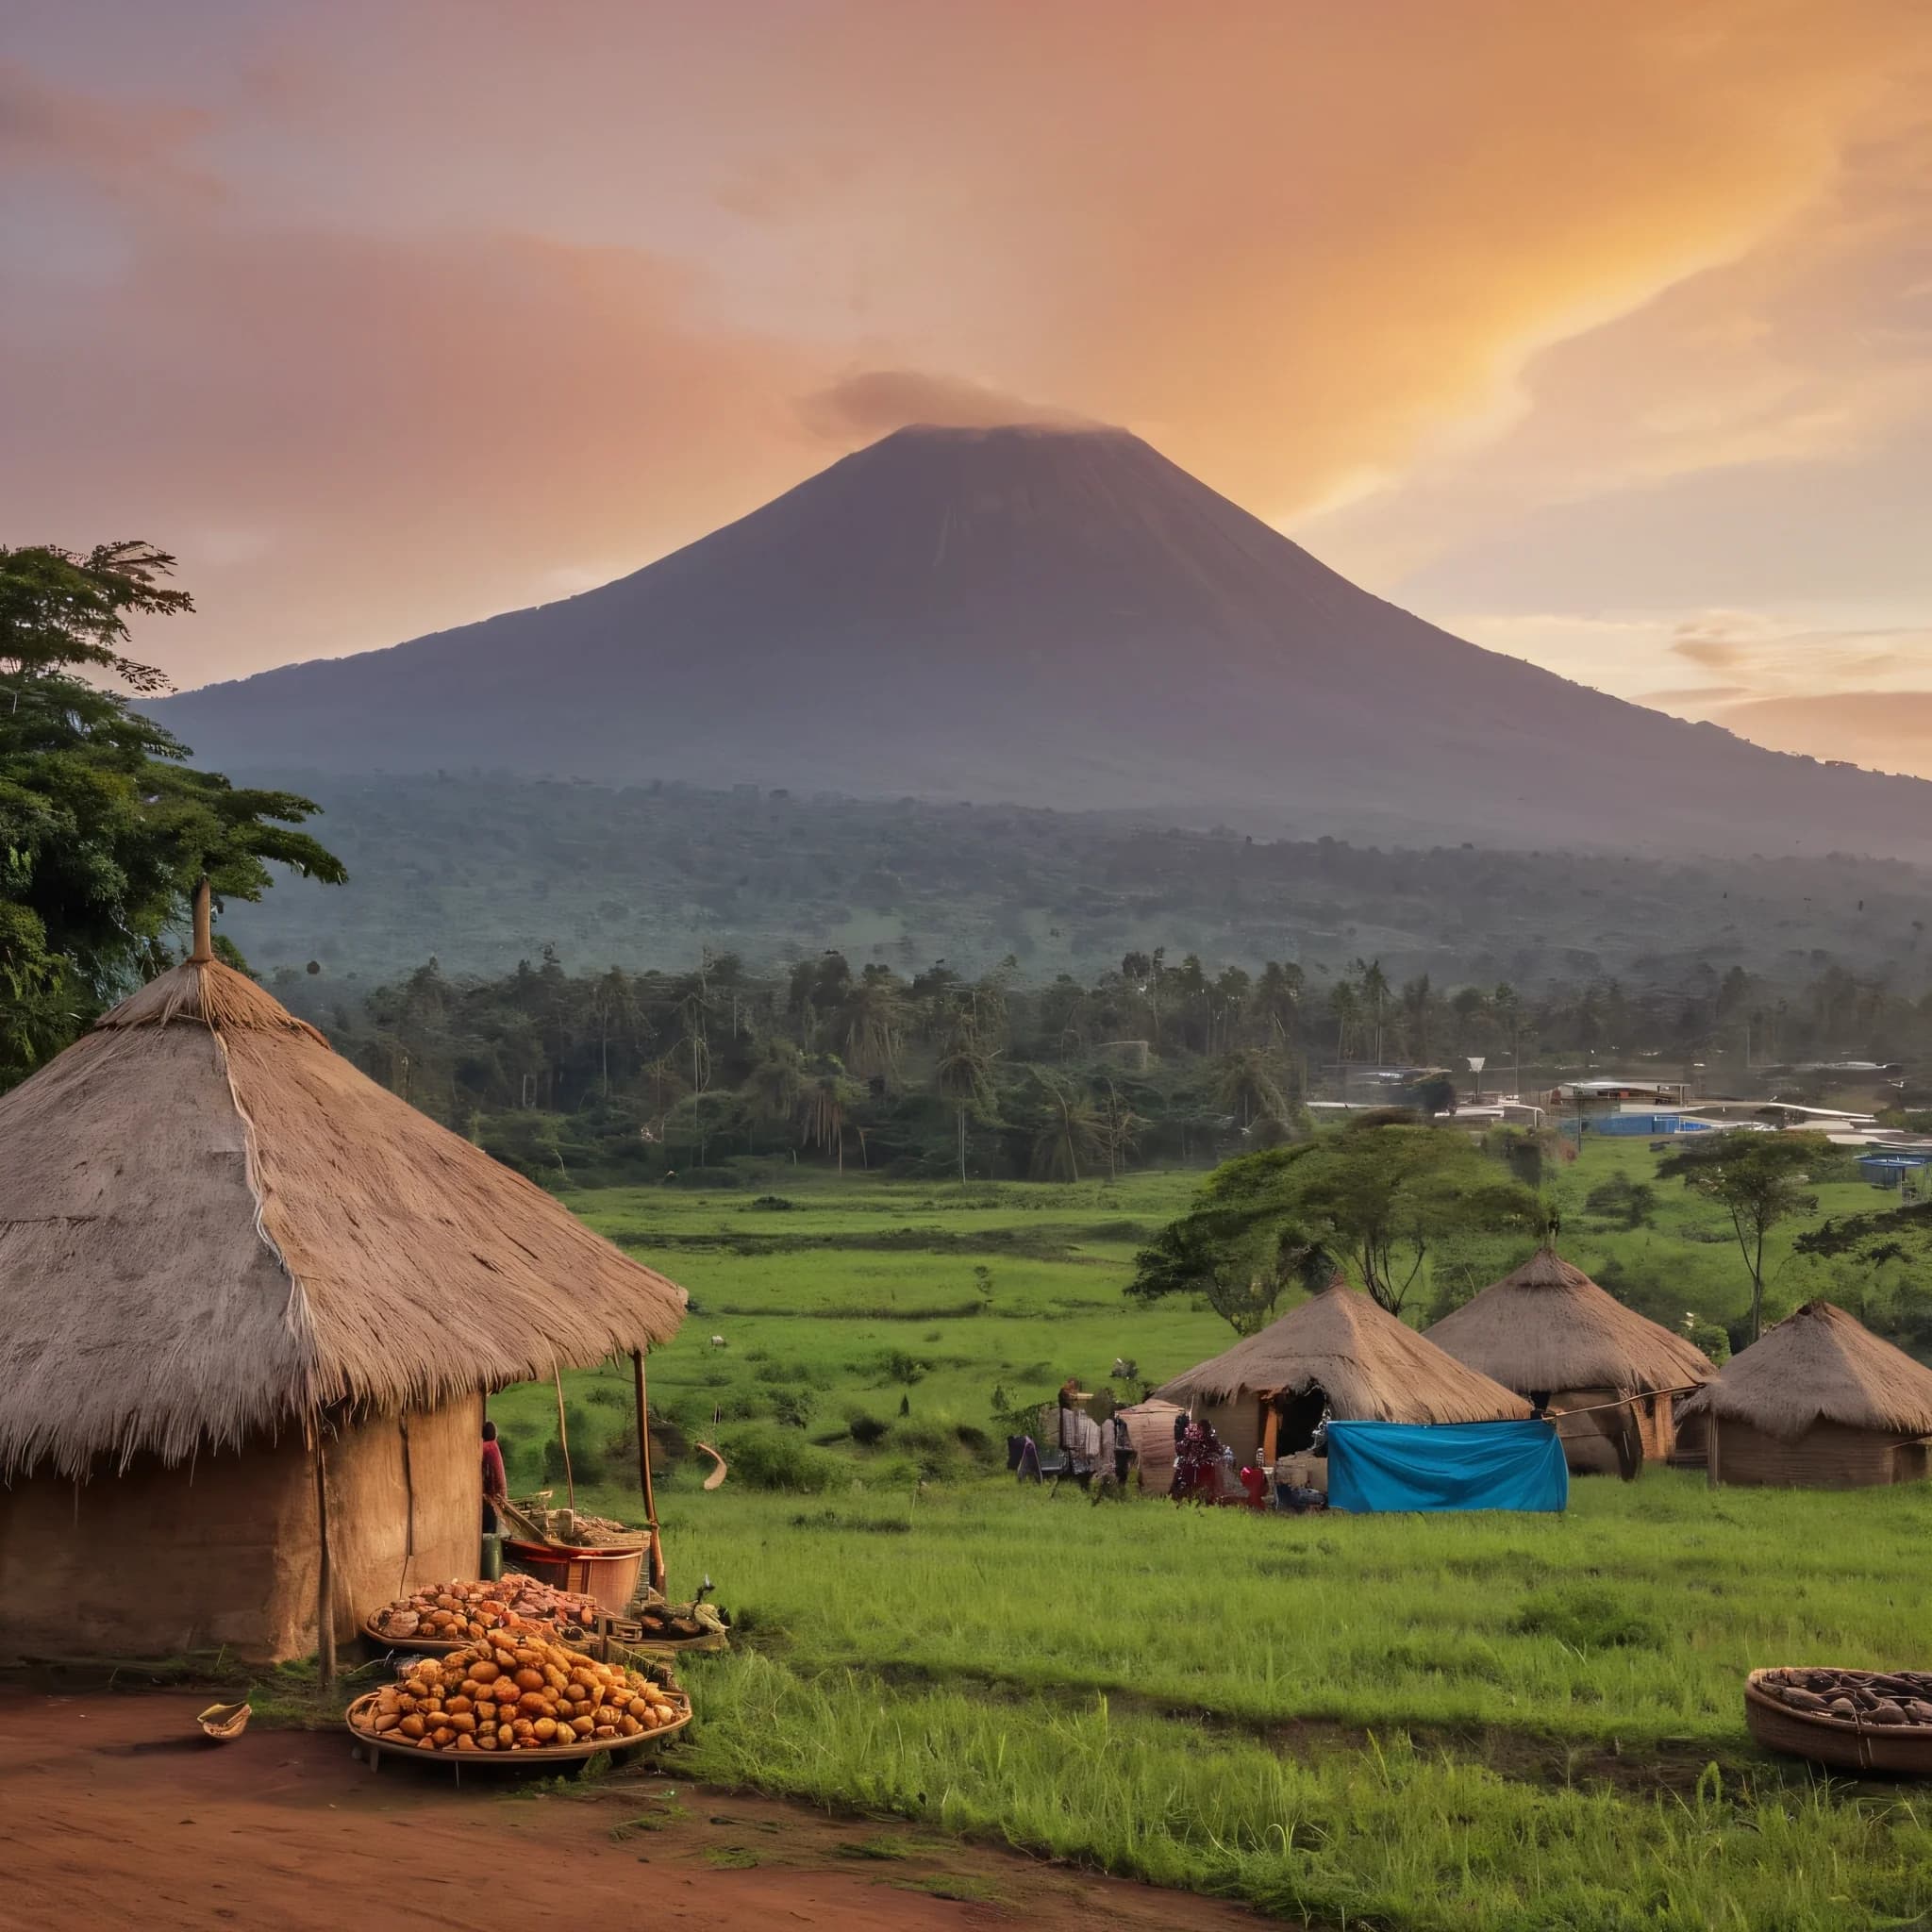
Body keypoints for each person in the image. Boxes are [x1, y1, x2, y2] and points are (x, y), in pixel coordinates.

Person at [481, 1419, 508, 1533]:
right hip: (499, 1494)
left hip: (493, 1496)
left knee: (490, 1529)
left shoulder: (486, 1447)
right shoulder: (494, 1446)